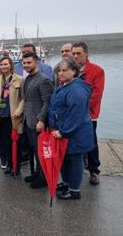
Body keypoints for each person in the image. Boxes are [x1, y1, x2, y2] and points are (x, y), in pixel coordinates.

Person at [49, 59, 94, 200]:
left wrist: (63, 132)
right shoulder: (66, 85)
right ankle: (67, 183)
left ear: (74, 71)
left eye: (64, 70)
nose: (60, 74)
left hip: (75, 134)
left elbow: (76, 115)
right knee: (66, 159)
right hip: (65, 131)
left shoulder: (76, 90)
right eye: (59, 71)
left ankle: (74, 191)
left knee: (75, 160)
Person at [72, 42, 105, 186]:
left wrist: (80, 109)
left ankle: (94, 170)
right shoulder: (70, 70)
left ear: (86, 54)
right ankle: (75, 169)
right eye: (73, 54)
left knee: (91, 142)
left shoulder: (97, 71)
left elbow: (96, 94)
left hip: (88, 114)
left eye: (78, 53)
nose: (75, 56)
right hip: (72, 113)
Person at [22, 51, 54, 188]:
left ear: (36, 62)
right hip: (28, 120)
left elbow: (47, 101)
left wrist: (41, 120)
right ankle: (37, 173)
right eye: (24, 63)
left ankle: (44, 178)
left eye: (29, 62)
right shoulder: (28, 78)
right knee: (34, 150)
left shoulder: (44, 79)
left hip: (37, 122)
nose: (26, 65)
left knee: (41, 151)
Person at [0, 57, 24, 175]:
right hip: (2, 116)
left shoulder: (19, 79)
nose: (4, 66)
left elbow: (23, 99)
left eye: (6, 64)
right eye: (1, 65)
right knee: (5, 142)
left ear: (11, 65)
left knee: (16, 142)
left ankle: (17, 166)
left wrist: (19, 111)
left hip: (14, 117)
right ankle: (9, 165)